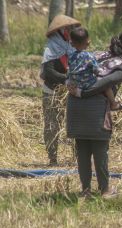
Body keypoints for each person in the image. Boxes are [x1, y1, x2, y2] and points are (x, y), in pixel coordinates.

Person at [66, 32, 122, 198]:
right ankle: (105, 190)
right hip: (94, 108)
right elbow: (103, 84)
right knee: (100, 151)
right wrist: (82, 94)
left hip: (74, 105)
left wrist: (76, 91)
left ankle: (85, 190)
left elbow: (73, 71)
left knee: (83, 149)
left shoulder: (98, 54)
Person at [40, 15, 81, 166]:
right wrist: (66, 79)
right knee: (52, 125)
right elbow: (49, 71)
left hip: (70, 92)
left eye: (72, 28)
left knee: (75, 125)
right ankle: (53, 159)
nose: (70, 31)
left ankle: (77, 157)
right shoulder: (51, 47)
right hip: (53, 91)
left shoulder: (72, 45)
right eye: (68, 29)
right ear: (60, 31)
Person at [67, 27, 122, 111]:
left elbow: (69, 68)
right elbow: (97, 70)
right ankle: (113, 104)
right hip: (86, 85)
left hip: (75, 84)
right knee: (106, 84)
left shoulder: (70, 56)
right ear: (88, 41)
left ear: (72, 43)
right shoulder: (89, 56)